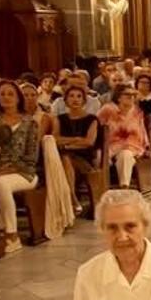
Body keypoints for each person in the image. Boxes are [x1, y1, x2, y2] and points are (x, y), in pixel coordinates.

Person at [0, 80, 40, 253]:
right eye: (2, 94)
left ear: (17, 98)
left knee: (1, 184)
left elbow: (32, 158)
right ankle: (0, 222)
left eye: (10, 94)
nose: (6, 97)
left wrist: (6, 170)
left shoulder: (30, 123)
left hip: (25, 172)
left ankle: (12, 236)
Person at [54, 84, 101, 215]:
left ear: (84, 100)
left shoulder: (92, 119)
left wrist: (67, 144)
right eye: (71, 96)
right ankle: (71, 199)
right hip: (63, 157)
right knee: (63, 159)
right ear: (66, 100)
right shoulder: (60, 118)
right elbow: (55, 138)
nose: (75, 99)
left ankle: (72, 200)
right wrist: (75, 138)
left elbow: (88, 142)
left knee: (65, 158)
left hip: (84, 159)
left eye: (79, 96)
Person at [97, 84, 150, 189]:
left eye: (133, 94)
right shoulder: (108, 109)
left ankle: (124, 186)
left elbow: (142, 129)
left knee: (125, 155)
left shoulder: (136, 111)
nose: (131, 97)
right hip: (111, 145)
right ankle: (100, 187)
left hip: (132, 145)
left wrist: (147, 146)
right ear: (118, 97)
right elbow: (95, 126)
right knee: (99, 156)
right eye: (127, 94)